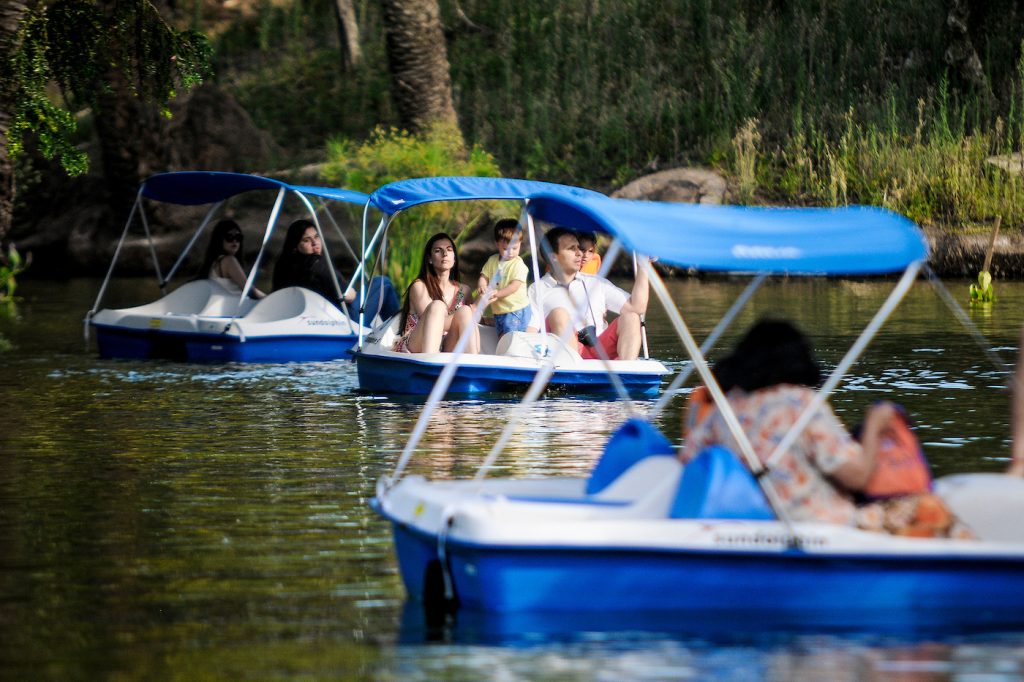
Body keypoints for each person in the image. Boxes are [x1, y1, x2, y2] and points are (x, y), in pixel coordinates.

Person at [681, 318, 973, 538]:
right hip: (815, 524)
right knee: (927, 506)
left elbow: (689, 460)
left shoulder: (727, 405)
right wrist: (873, 426)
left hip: (742, 521)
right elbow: (857, 476)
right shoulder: (799, 403)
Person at [527, 226, 649, 361]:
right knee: (559, 313)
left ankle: (626, 370)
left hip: (601, 348)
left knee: (631, 316)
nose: (580, 253)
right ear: (553, 256)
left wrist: (643, 266)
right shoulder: (537, 289)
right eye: (572, 249)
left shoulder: (597, 282)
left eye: (578, 248)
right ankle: (575, 369)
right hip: (563, 354)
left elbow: (637, 307)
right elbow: (531, 331)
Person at [272, 219, 399, 321]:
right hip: (345, 322)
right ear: (295, 246)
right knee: (383, 282)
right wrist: (353, 292)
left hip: (310, 319)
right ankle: (399, 333)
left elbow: (275, 296)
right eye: (306, 240)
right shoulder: (318, 264)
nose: (314, 243)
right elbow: (348, 296)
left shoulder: (283, 266)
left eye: (316, 237)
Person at [394, 232, 480, 354]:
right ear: (429, 259)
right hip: (417, 345)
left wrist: (485, 306)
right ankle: (430, 364)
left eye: (449, 250)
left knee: (466, 311)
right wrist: (466, 314)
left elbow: (472, 322)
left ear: (454, 258)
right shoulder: (419, 286)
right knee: (437, 306)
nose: (445, 254)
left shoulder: (464, 291)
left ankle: (474, 367)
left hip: (446, 344)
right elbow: (435, 321)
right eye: (438, 250)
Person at [476, 218, 531, 338]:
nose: (510, 252)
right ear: (497, 244)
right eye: (505, 249)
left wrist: (498, 293)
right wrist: (482, 285)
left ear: (520, 244)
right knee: (501, 335)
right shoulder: (492, 260)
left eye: (515, 248)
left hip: (515, 310)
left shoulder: (518, 265)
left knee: (511, 338)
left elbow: (514, 286)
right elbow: (484, 275)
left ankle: (510, 355)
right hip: (500, 310)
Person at [197, 219, 265, 298]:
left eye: (238, 237)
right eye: (229, 237)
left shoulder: (212, 263)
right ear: (219, 239)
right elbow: (249, 291)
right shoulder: (229, 260)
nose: (235, 241)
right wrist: (269, 299)